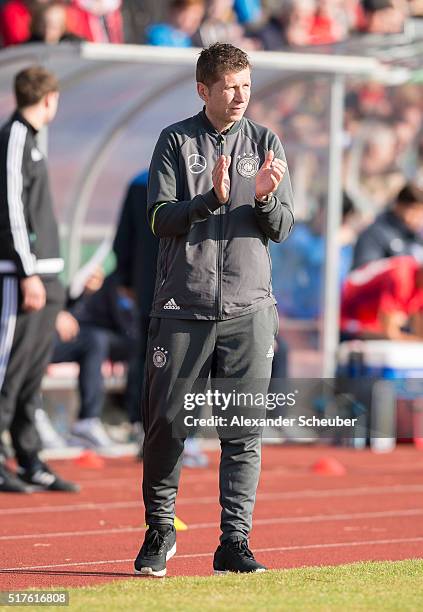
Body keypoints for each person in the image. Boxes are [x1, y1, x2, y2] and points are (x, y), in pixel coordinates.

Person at [133, 42, 294, 577]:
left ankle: (234, 541)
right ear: (203, 89)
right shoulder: (175, 140)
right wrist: (212, 200)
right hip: (183, 307)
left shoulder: (266, 141)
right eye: (229, 86)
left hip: (250, 311)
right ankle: (160, 529)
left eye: (246, 84)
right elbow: (158, 218)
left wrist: (267, 198)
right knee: (167, 427)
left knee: (243, 432)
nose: (240, 95)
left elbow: (284, 227)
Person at [0, 66, 78, 493]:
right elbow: (12, 208)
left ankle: (29, 458)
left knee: (31, 376)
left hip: (46, 278)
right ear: (48, 98)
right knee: (8, 372)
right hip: (21, 277)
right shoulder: (14, 137)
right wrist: (27, 271)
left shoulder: (31, 141)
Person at [49, 270, 138, 448]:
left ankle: (88, 422)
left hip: (51, 329)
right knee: (97, 340)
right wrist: (55, 313)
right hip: (33, 331)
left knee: (95, 340)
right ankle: (30, 420)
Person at [341, 255, 423, 341]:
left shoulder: (417, 282)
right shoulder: (402, 275)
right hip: (346, 314)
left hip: (369, 323)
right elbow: (390, 333)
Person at [352, 182, 423, 270]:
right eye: (415, 211)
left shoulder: (417, 237)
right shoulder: (374, 234)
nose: (418, 219)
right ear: (399, 206)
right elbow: (363, 273)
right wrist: (396, 267)